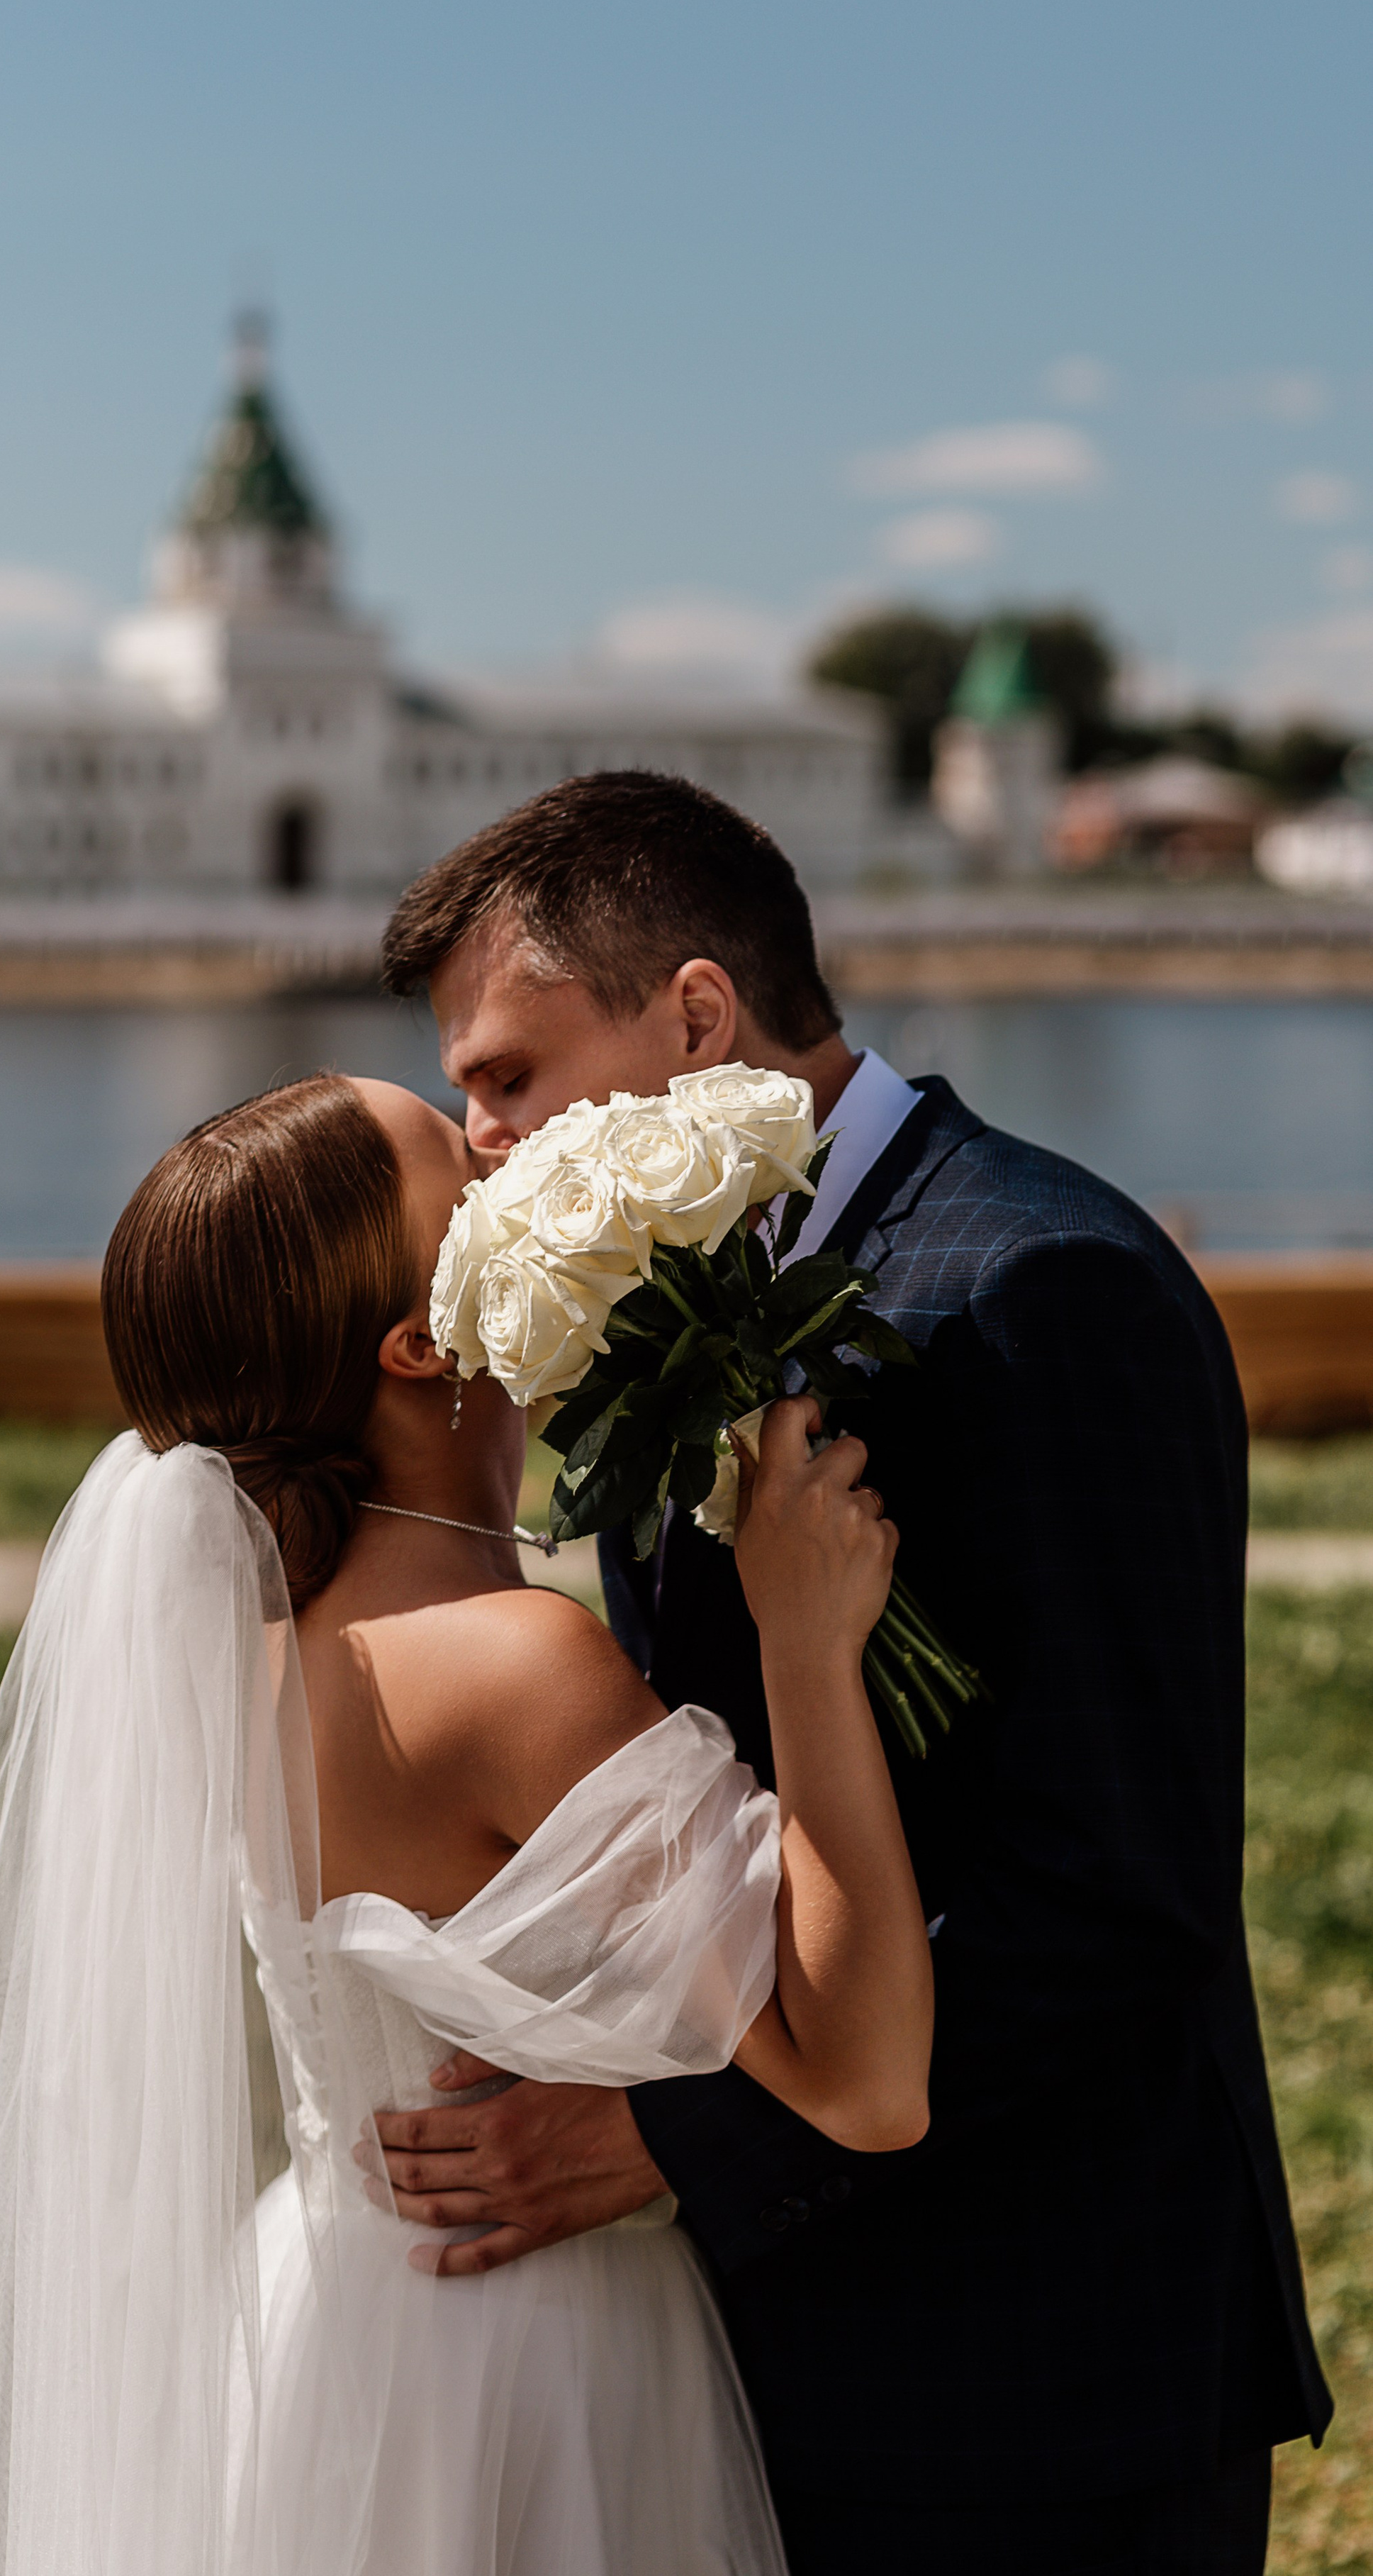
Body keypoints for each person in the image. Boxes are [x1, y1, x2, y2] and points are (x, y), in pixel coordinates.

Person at [376, 768, 1332, 2576]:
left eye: (506, 1071)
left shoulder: (1039, 1287)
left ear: (696, 1016)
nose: (480, 1137)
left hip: (1037, 2374)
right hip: (792, 2351)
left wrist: (680, 2141)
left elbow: (1108, 1888)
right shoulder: (674, 1294)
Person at [0, 1067, 932, 2576]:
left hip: (327, 2324)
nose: (505, 1160)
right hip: (536, 2368)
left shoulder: (241, 1655)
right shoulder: (511, 1662)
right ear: (417, 1339)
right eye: (462, 1177)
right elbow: (862, 2079)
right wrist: (802, 1644)